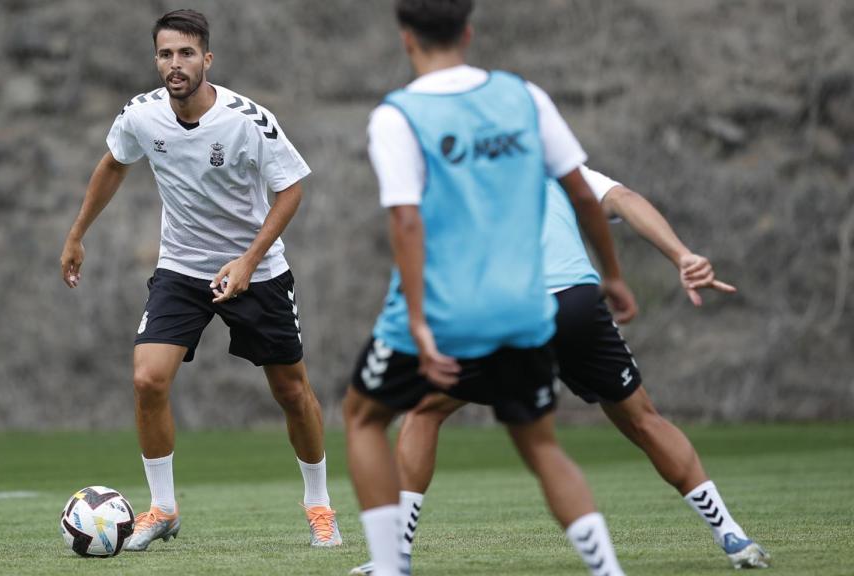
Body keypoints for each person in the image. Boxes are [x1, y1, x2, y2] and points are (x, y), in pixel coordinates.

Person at [349, 170, 772, 575]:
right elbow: (623, 199)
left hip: (506, 309)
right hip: (575, 305)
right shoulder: (553, 162)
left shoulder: (452, 171)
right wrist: (682, 254)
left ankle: (396, 557)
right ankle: (732, 535)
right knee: (644, 419)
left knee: (424, 410)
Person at [344, 1, 637, 575]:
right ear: (469, 32)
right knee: (541, 447)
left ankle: (389, 566)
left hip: (446, 312)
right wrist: (614, 275)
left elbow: (405, 222)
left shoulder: (396, 116)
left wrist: (421, 323)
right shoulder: (525, 97)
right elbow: (582, 193)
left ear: (407, 39)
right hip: (524, 310)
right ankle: (608, 570)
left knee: (363, 417)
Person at [59, 9, 341, 551]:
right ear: (156, 59)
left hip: (256, 270)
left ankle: (320, 506)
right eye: (165, 54)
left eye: (186, 53)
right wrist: (77, 234)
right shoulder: (141, 114)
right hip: (182, 269)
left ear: (206, 59)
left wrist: (249, 262)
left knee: (291, 391)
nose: (175, 64)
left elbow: (291, 191)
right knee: (147, 379)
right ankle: (162, 508)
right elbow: (114, 164)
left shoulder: (247, 119)